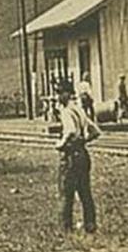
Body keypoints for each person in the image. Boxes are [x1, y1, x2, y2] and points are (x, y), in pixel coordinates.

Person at [55, 81, 101, 233]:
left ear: (68, 94)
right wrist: (84, 140)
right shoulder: (79, 109)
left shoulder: (66, 110)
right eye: (58, 93)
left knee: (66, 193)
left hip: (70, 157)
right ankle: (90, 224)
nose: (59, 96)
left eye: (61, 93)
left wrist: (60, 144)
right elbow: (95, 131)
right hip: (82, 154)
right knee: (85, 192)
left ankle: (66, 228)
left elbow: (70, 131)